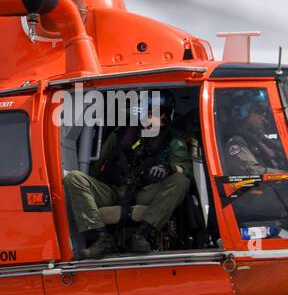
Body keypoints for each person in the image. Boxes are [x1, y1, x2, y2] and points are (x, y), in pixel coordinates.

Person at [63, 92, 192, 258]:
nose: (153, 119)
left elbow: (185, 168)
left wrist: (168, 168)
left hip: (144, 193)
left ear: (166, 117)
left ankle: (142, 234)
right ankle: (102, 239)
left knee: (181, 180)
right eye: (149, 113)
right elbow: (97, 167)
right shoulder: (120, 136)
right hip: (113, 190)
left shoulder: (173, 142)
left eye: (158, 114)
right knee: (74, 178)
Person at [220, 92, 288, 177]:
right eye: (259, 112)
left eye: (265, 113)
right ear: (242, 114)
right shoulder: (236, 143)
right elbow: (252, 172)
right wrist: (286, 174)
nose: (264, 117)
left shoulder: (261, 139)